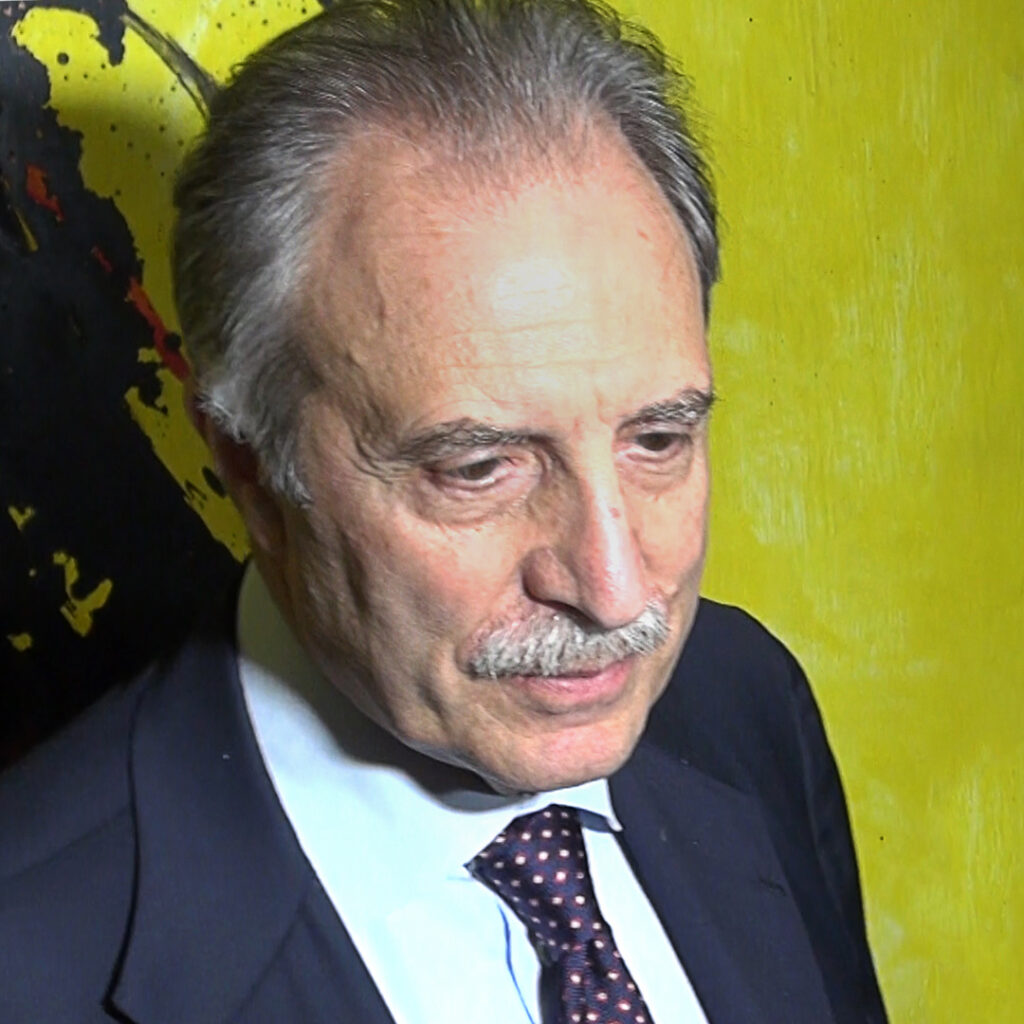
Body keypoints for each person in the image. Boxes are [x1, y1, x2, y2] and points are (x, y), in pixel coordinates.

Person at [0, 2, 887, 1021]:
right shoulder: (31, 960)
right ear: (249, 465)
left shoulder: (744, 702)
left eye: (657, 439)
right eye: (480, 468)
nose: (614, 591)